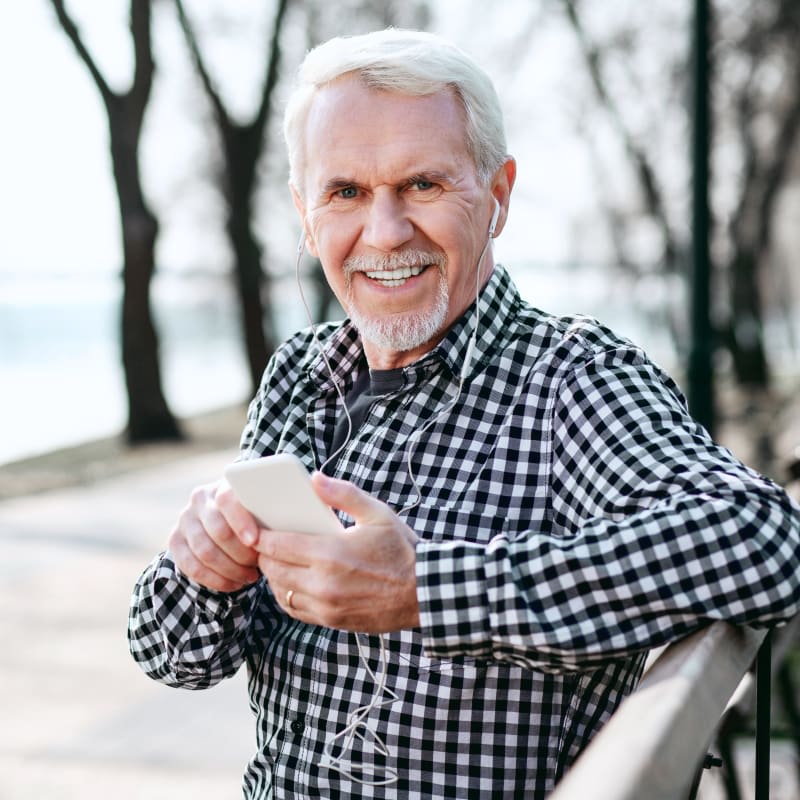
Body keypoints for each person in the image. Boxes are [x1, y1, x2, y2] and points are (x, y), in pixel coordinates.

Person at [128, 28, 800, 799]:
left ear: (499, 194)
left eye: (422, 185)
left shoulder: (571, 380)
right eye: (345, 192)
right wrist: (200, 573)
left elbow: (761, 540)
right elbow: (174, 659)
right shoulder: (298, 378)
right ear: (306, 216)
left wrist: (424, 590)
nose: (384, 233)